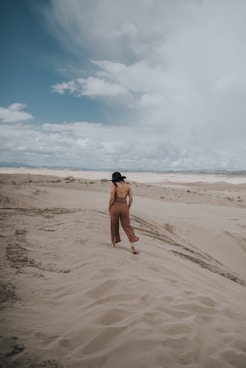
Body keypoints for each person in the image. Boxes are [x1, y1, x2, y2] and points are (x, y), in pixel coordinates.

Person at [109, 172, 139, 254]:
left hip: (115, 206)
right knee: (127, 225)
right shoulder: (128, 186)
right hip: (124, 206)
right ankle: (132, 243)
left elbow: (112, 198)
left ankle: (113, 243)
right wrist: (128, 207)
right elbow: (131, 199)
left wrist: (110, 206)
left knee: (114, 224)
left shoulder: (114, 186)